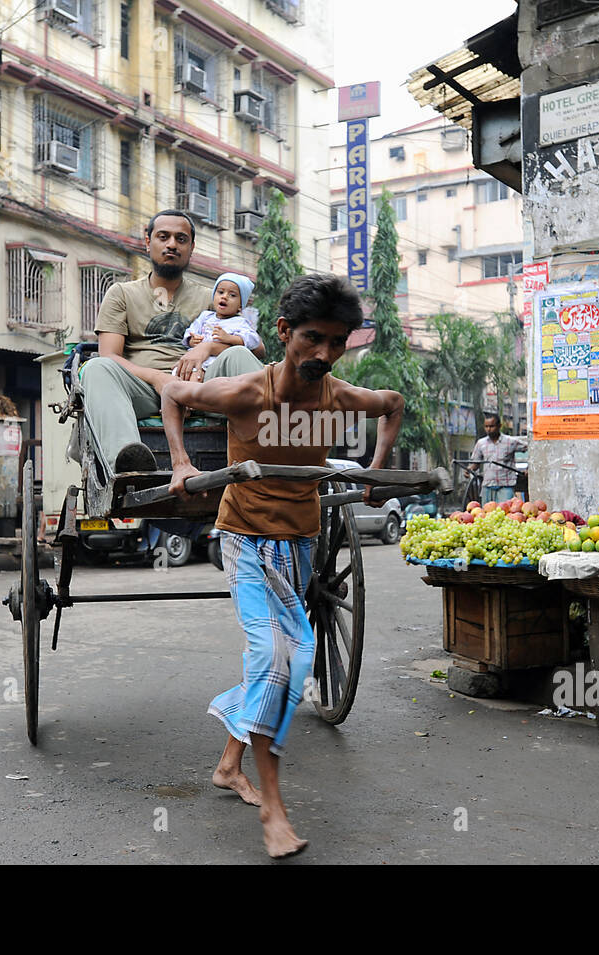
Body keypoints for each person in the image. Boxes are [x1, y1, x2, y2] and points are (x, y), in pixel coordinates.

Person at [162, 273, 403, 858]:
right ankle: (273, 808)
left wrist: (373, 470)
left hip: (300, 544)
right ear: (283, 332)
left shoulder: (338, 395)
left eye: (338, 342)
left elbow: (392, 405)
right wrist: (178, 462)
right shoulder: (247, 392)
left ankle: (228, 765)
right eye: (313, 339)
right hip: (244, 539)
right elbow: (173, 393)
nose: (325, 353)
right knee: (281, 658)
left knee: (277, 657)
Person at [78, 210, 265, 477]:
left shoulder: (213, 297)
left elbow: (256, 347)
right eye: (163, 237)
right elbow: (110, 355)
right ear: (147, 241)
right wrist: (158, 378)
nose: (172, 245)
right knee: (97, 367)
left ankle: (272, 451)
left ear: (191, 247)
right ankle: (128, 463)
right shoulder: (121, 293)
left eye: (181, 239)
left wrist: (208, 348)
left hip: (203, 387)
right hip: (143, 389)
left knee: (238, 354)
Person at [182, 272, 264, 372]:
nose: (224, 297)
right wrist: (192, 340)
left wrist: (230, 338)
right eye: (220, 292)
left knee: (196, 378)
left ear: (240, 306)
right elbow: (191, 330)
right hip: (195, 358)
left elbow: (253, 340)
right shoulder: (205, 316)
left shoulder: (240, 322)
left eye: (232, 295)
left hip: (217, 365)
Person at [470, 413, 526, 504]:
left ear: (499, 426)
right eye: (486, 426)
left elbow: (530, 449)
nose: (489, 429)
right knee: (486, 514)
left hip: (505, 486)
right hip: (488, 485)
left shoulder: (510, 442)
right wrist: (469, 469)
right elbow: (475, 463)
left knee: (505, 512)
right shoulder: (481, 443)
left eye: (492, 426)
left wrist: (528, 469)